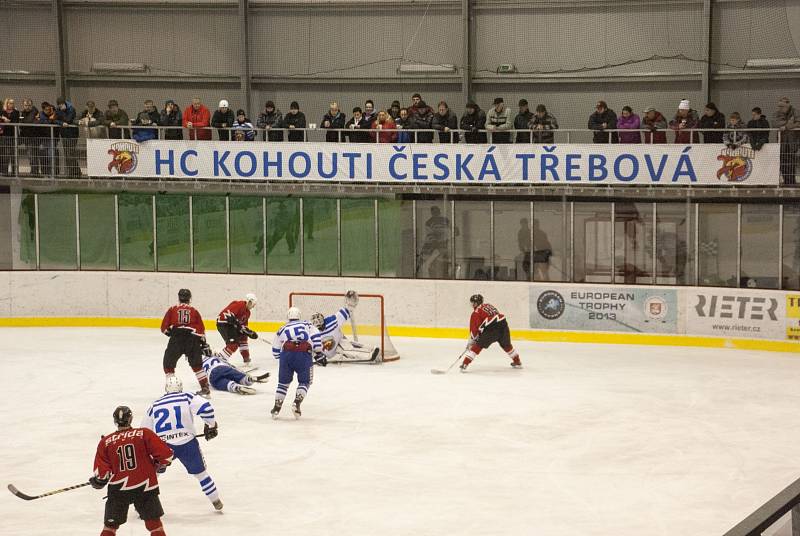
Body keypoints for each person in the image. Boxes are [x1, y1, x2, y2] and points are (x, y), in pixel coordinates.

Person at [141, 376, 222, 510]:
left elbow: (144, 430)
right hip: (187, 443)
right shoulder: (187, 397)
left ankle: (144, 507)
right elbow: (207, 408)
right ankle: (216, 501)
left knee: (153, 475)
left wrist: (150, 450)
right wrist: (211, 425)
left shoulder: (154, 404)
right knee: (201, 474)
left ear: (166, 389)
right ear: (181, 387)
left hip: (163, 446)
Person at [90, 406, 173, 536]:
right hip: (145, 486)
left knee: (110, 527)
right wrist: (158, 464)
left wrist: (97, 481)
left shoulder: (105, 442)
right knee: (154, 525)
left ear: (115, 421)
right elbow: (166, 456)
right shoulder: (144, 434)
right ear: (131, 419)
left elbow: (102, 475)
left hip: (119, 489)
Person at [270, 306, 323, 419]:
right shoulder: (307, 324)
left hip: (286, 355)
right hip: (303, 354)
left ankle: (276, 408)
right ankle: (297, 403)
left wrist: (283, 357)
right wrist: (318, 352)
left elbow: (275, 351)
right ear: (299, 315)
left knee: (283, 384)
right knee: (305, 382)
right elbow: (316, 335)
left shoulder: (282, 328)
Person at [160, 288, 211, 396]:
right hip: (192, 338)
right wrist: (203, 343)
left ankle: (171, 388)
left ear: (179, 298)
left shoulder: (173, 309)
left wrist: (171, 334)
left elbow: (164, 328)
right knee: (197, 366)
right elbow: (201, 330)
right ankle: (205, 388)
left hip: (176, 338)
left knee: (168, 364)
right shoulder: (194, 311)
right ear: (190, 299)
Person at [310, 291, 380, 364]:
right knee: (348, 348)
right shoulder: (311, 332)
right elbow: (309, 347)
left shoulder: (332, 321)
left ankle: (372, 351)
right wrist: (317, 356)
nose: (318, 326)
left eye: (319, 322)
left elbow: (346, 311)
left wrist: (351, 304)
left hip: (339, 342)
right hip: (329, 354)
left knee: (349, 347)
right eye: (315, 324)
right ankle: (371, 352)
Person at [460, 294, 521, 372]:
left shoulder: (476, 313)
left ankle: (465, 363)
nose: (472, 305)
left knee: (477, 346)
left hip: (492, 330)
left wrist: (471, 342)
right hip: (503, 326)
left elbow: (474, 330)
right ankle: (517, 361)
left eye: (472, 303)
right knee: (507, 345)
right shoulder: (488, 305)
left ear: (475, 303)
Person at [216, 293, 258, 366]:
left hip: (231, 326)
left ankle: (246, 358)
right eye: (253, 304)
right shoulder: (239, 304)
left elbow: (243, 326)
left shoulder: (248, 313)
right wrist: (237, 324)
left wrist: (249, 332)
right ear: (249, 301)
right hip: (224, 324)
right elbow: (227, 315)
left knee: (243, 336)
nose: (253, 306)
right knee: (233, 344)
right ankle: (219, 360)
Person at [774, 97, 799, 185]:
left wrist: (786, 127)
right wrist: (790, 122)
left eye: (782, 106)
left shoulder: (795, 112)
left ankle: (792, 181)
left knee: (791, 161)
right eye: (779, 106)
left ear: (787, 105)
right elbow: (775, 123)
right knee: (783, 161)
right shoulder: (777, 113)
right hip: (782, 141)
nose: (780, 108)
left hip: (792, 141)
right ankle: (786, 180)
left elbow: (799, 123)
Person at [56, 96, 80, 177]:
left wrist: (61, 117)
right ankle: (73, 171)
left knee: (70, 153)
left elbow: (68, 120)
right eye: (59, 106)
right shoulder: (58, 110)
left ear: (64, 103)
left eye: (61, 105)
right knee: (67, 154)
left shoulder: (71, 109)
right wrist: (61, 123)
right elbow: (55, 120)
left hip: (72, 134)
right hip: (64, 134)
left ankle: (75, 172)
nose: (60, 107)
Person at [18, 99, 40, 175]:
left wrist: (24, 121)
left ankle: (35, 172)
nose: (27, 107)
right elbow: (20, 123)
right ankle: (34, 171)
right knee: (30, 155)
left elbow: (29, 121)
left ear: (32, 105)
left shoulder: (35, 111)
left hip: (33, 138)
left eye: (29, 105)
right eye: (25, 105)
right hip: (26, 137)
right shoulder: (23, 113)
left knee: (32, 155)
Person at [0, 98, 20, 176]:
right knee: (5, 155)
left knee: (14, 154)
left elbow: (15, 121)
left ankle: (15, 172)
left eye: (12, 103)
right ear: (7, 104)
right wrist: (4, 120)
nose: (11, 105)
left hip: (13, 135)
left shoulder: (16, 112)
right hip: (4, 135)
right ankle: (4, 172)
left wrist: (7, 120)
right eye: (10, 103)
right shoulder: (3, 112)